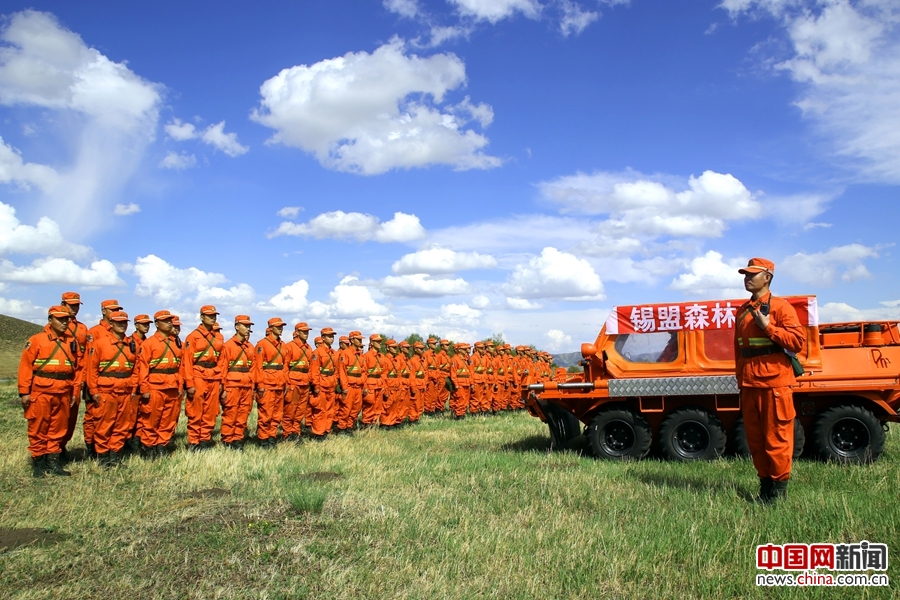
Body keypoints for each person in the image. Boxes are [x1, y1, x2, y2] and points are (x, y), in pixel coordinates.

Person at [735, 258, 805, 503]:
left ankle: (778, 493)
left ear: (767, 277)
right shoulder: (743, 310)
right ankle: (765, 486)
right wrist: (740, 380)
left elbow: (797, 342)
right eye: (745, 274)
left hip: (775, 384)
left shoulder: (781, 308)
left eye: (752, 274)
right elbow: (740, 350)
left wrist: (768, 327)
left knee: (777, 439)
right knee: (755, 440)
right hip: (750, 384)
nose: (747, 278)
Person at [18, 306, 80, 477]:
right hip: (41, 392)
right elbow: (25, 367)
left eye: (66, 319)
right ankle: (38, 462)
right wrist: (24, 392)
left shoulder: (71, 342)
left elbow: (77, 369)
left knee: (58, 428)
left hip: (63, 392)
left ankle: (53, 461)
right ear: (50, 320)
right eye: (60, 319)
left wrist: (75, 391)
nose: (64, 322)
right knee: (39, 427)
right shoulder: (37, 340)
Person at [84, 310, 137, 467]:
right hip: (106, 391)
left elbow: (135, 368)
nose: (122, 325)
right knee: (104, 424)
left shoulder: (131, 344)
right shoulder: (100, 344)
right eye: (118, 322)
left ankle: (115, 455)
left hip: (125, 391)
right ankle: (103, 456)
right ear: (111, 324)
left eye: (124, 322)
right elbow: (91, 370)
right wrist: (93, 391)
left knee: (121, 425)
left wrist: (133, 388)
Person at [135, 310, 183, 457]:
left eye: (170, 320)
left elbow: (180, 367)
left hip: (172, 387)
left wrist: (180, 386)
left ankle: (162, 445)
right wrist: (144, 389)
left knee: (168, 419)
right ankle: (149, 447)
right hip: (155, 387)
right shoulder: (149, 344)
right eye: (165, 320)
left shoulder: (176, 344)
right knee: (151, 419)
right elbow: (142, 368)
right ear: (156, 324)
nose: (169, 323)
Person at [181, 305, 223, 451]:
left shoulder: (219, 337)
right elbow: (187, 362)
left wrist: (221, 380)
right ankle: (194, 441)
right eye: (209, 315)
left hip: (214, 376)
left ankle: (205, 439)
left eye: (214, 316)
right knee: (196, 410)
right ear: (201, 317)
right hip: (198, 375)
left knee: (211, 411)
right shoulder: (193, 337)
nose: (212, 318)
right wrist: (189, 383)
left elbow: (222, 360)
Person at [217, 315, 257, 450]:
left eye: (249, 326)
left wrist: (252, 387)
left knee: (242, 415)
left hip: (246, 386)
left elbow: (253, 369)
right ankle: (228, 440)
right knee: (230, 414)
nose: (248, 328)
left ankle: (238, 439)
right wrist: (223, 388)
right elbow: (223, 368)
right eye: (245, 326)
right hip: (232, 386)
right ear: (236, 327)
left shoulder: (250, 347)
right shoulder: (228, 346)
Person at [59, 292, 88, 459]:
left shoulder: (83, 328)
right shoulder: (57, 326)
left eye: (77, 305)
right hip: (62, 377)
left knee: (72, 415)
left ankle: (62, 446)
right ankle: (53, 449)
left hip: (78, 378)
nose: (74, 308)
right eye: (71, 305)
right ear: (63, 304)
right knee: (57, 416)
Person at [254, 317, 288, 448]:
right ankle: (263, 438)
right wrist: (260, 385)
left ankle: (272, 436)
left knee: (277, 413)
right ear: (270, 328)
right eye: (278, 326)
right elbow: (258, 367)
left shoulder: (283, 345)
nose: (280, 328)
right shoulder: (262, 344)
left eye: (281, 326)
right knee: (265, 413)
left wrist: (285, 382)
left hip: (279, 384)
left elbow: (285, 366)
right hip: (267, 384)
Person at [283, 322, 312, 441]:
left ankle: (296, 432)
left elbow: (310, 366)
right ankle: (287, 434)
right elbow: (285, 366)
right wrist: (286, 383)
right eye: (304, 332)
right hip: (293, 383)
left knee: (300, 410)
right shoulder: (290, 346)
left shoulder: (308, 348)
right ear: (297, 333)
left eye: (307, 332)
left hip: (305, 383)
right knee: (290, 409)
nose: (306, 334)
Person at [309, 327, 338, 439]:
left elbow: (335, 370)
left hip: (331, 385)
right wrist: (316, 385)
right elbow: (314, 371)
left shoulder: (333, 353)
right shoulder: (317, 352)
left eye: (332, 336)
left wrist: (335, 380)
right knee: (320, 410)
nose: (332, 338)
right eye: (329, 336)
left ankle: (326, 430)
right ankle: (318, 433)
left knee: (330, 410)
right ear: (323, 338)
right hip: (321, 384)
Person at [337, 331, 366, 434]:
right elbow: (342, 372)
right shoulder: (345, 353)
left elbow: (364, 371)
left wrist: (363, 385)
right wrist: (344, 387)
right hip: (349, 386)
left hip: (358, 386)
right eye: (358, 339)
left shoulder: (360, 355)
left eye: (361, 339)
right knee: (346, 408)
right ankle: (342, 428)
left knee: (356, 408)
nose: (360, 341)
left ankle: (349, 426)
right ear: (352, 340)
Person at [361, 334, 385, 427]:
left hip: (379, 384)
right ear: (371, 343)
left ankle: (374, 423)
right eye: (377, 341)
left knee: (377, 406)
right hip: (370, 384)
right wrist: (365, 387)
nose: (380, 343)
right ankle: (366, 424)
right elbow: (364, 373)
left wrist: (383, 385)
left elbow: (384, 372)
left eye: (380, 341)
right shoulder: (366, 356)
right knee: (369, 405)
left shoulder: (381, 356)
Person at [449, 342, 472, 419]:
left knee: (465, 400)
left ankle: (462, 413)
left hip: (466, 382)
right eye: (464, 349)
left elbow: (469, 372)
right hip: (460, 383)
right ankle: (459, 415)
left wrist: (470, 382)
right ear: (459, 350)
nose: (466, 350)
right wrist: (456, 384)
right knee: (460, 400)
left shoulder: (466, 359)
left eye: (466, 349)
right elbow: (453, 374)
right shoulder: (455, 359)